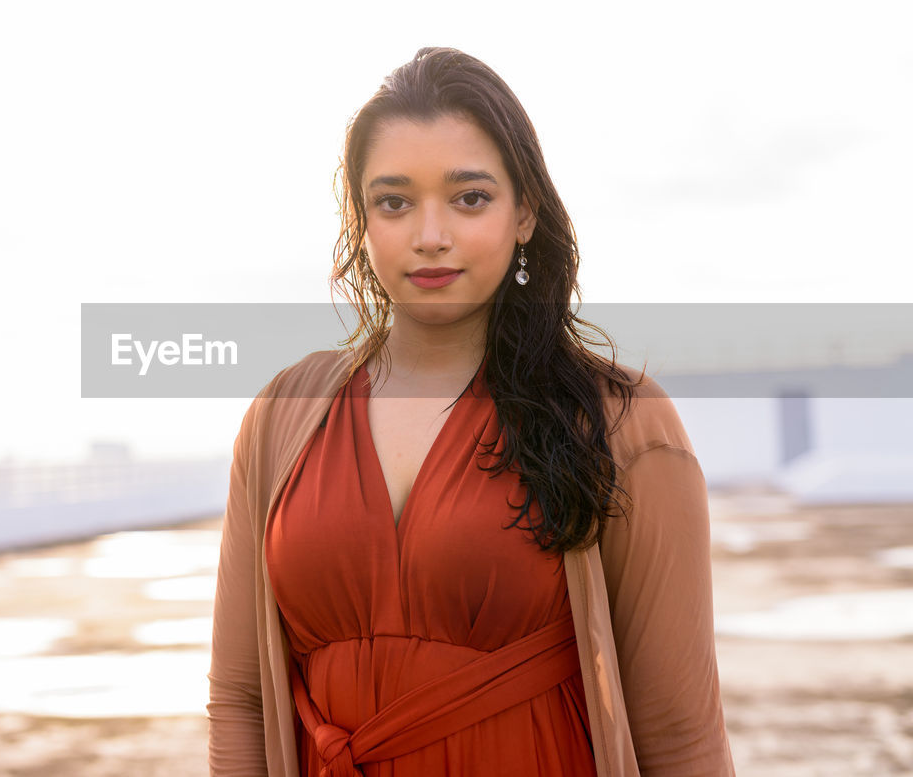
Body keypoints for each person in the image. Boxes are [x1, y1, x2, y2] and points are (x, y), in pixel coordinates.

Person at [207, 46, 735, 776]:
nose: (431, 235)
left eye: (470, 198)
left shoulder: (623, 425)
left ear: (525, 214)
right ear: (362, 223)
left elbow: (680, 736)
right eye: (394, 202)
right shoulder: (282, 417)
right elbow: (239, 700)